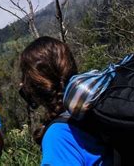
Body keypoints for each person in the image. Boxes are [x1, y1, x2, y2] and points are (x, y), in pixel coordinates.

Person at [19, 36, 112, 166]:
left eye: (25, 75)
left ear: (36, 85)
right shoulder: (96, 108)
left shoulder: (59, 135)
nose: (21, 83)